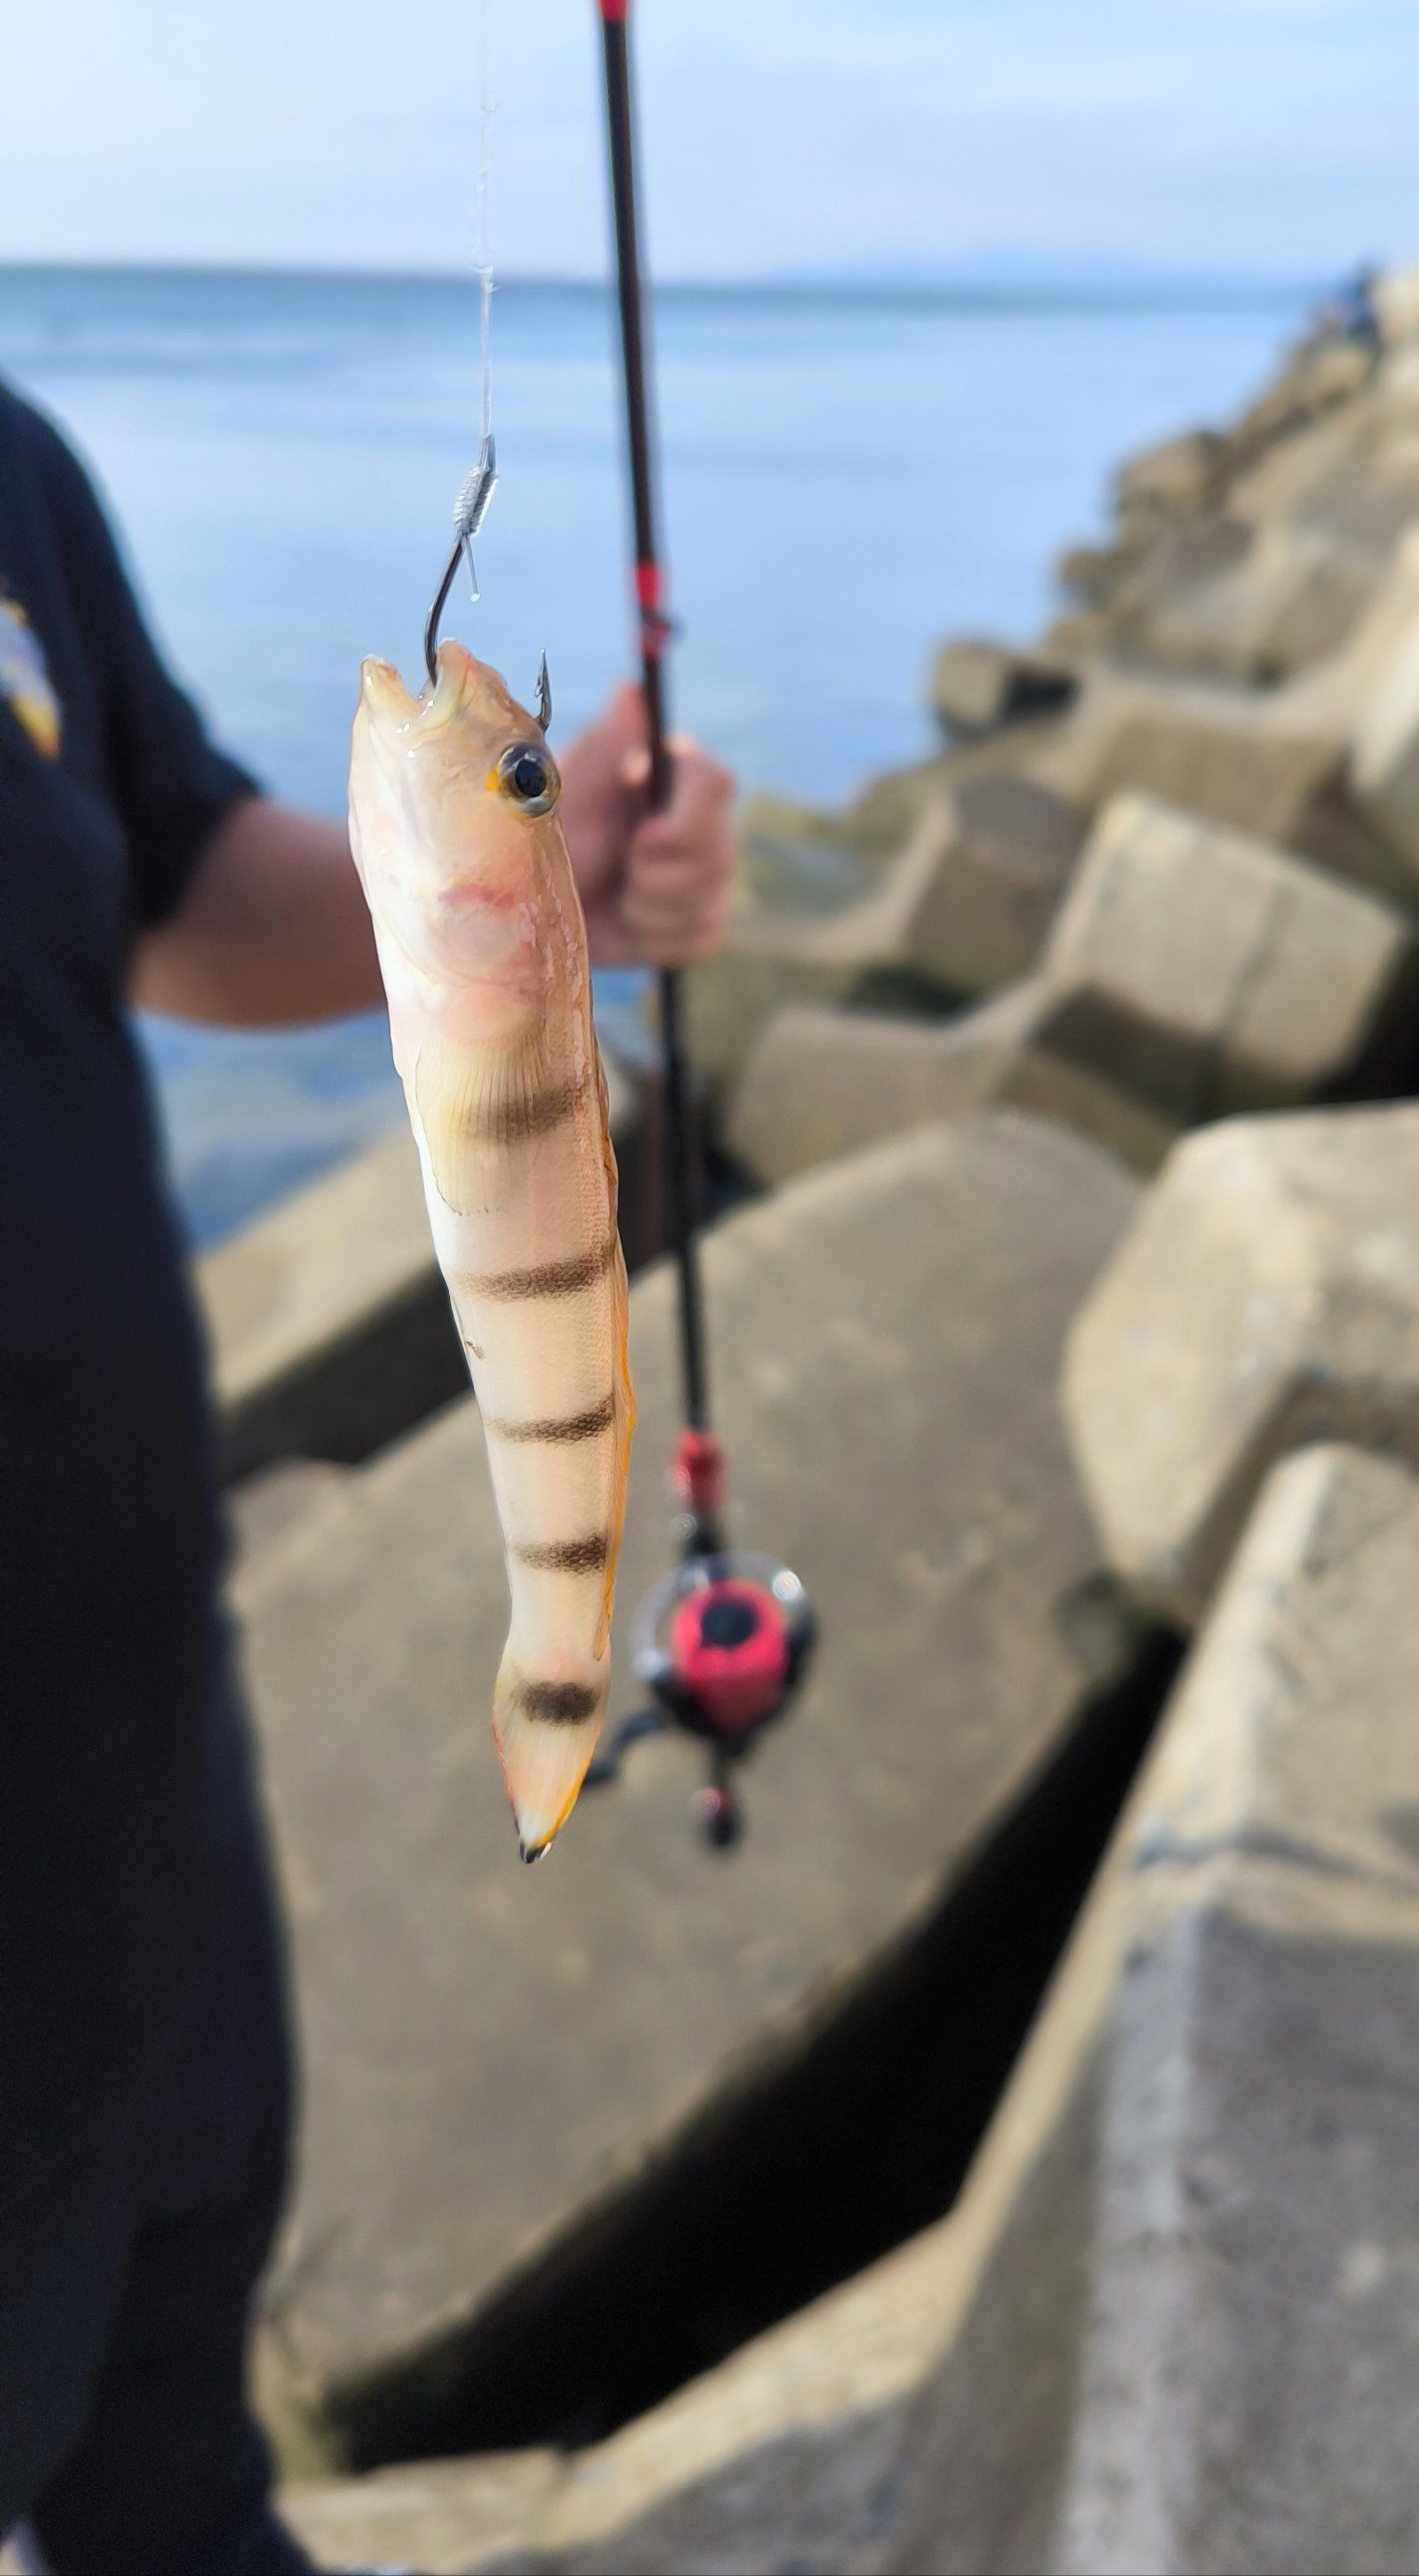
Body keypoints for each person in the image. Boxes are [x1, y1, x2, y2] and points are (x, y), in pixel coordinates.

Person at [0, 374, 737, 2572]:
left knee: (169, 2389)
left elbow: (172, 876)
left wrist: (532, 869)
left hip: (132, 1704)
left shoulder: (13, 471)